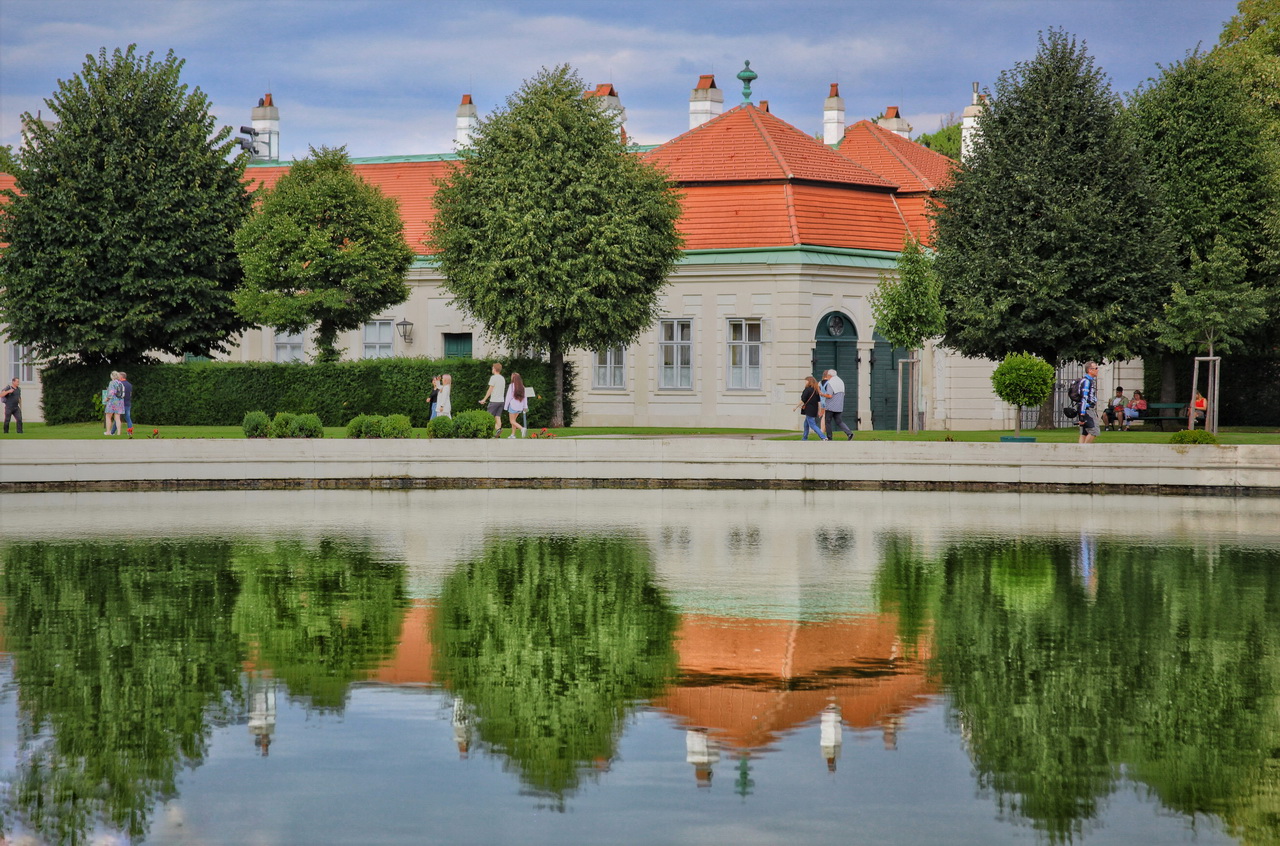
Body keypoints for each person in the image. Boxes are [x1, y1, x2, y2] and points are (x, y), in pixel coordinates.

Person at [821, 369, 854, 441]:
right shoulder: (840, 381)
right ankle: (849, 432)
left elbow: (829, 395)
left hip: (830, 406)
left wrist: (822, 394)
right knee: (839, 421)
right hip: (839, 405)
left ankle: (829, 437)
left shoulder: (831, 383)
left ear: (829, 375)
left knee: (828, 421)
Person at [794, 375, 828, 440]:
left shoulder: (807, 390)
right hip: (814, 410)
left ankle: (823, 437)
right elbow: (818, 402)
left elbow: (803, 400)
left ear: (809, 382)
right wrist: (819, 411)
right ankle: (804, 438)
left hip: (809, 410)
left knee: (812, 425)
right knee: (806, 424)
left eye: (806, 381)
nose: (805, 382)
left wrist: (796, 407)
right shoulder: (816, 390)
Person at [479, 362, 505, 436]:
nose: (492, 369)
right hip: (501, 401)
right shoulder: (502, 378)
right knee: (498, 417)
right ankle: (498, 433)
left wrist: (484, 399)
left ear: (494, 369)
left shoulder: (493, 378)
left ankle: (493, 430)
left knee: (488, 417)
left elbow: (490, 389)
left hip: (494, 401)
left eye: (492, 368)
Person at [1078, 361, 1100, 444]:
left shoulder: (1089, 381)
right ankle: (1084, 451)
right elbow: (1084, 398)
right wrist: (1082, 414)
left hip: (1085, 409)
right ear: (1090, 370)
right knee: (1094, 431)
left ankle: (1080, 453)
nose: (1097, 370)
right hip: (1087, 409)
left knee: (1084, 432)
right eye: (1096, 368)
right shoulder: (1086, 381)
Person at [504, 372, 528, 438]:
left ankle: (522, 429)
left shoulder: (511, 386)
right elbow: (525, 398)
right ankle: (513, 434)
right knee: (514, 421)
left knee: (512, 421)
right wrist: (525, 407)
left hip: (513, 406)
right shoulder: (522, 387)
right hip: (520, 407)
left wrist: (505, 406)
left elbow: (508, 397)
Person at [103, 371, 125, 436]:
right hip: (120, 401)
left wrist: (107, 398)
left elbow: (111, 393)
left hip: (113, 401)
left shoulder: (112, 383)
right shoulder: (120, 383)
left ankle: (108, 432)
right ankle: (119, 432)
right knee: (117, 417)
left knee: (108, 416)